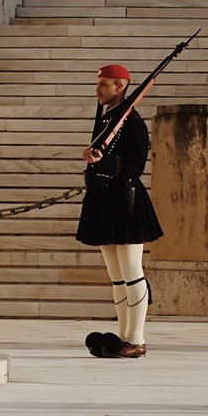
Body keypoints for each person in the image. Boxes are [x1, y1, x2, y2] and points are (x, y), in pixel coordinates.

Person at [77, 65, 162, 358]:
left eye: (103, 84)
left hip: (126, 201)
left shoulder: (133, 122)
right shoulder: (108, 118)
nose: (98, 89)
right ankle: (125, 336)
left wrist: (102, 162)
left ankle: (136, 339)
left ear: (120, 87)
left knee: (132, 272)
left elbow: (134, 167)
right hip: (103, 200)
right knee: (116, 275)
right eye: (98, 83)